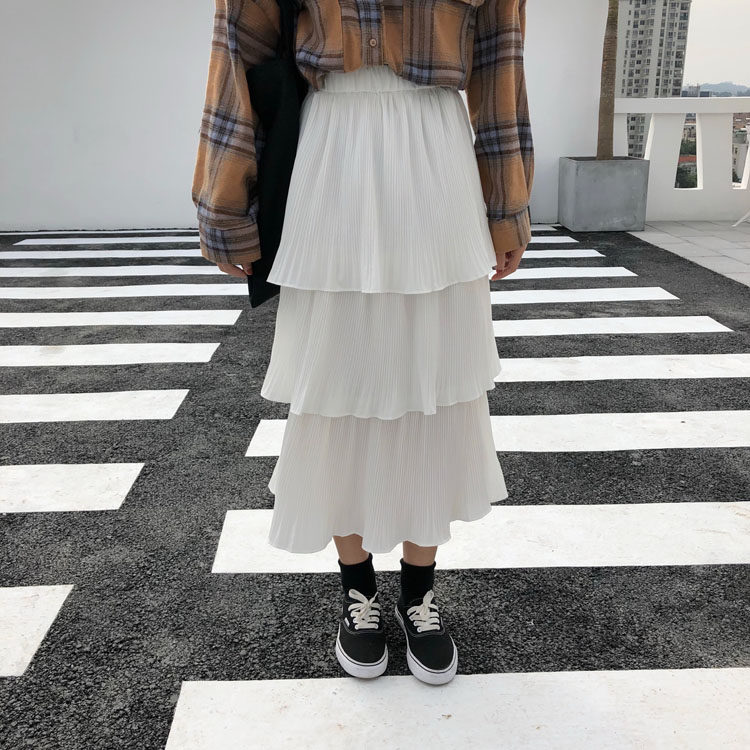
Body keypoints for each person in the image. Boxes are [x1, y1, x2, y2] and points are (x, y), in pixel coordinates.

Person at [192, 0, 534, 685]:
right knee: (337, 383)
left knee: (435, 382)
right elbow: (238, 49)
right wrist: (224, 202)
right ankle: (357, 592)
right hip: (333, 151)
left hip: (436, 154)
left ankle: (419, 593)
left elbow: (501, 64)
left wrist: (507, 204)